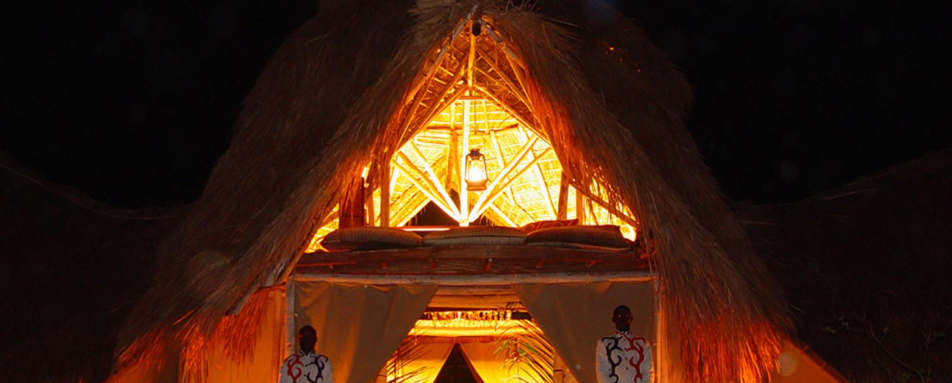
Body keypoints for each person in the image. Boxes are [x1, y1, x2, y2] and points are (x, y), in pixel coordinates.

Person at [595, 305, 652, 383]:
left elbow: (647, 371)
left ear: (631, 319)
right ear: (613, 320)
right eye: (619, 316)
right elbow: (602, 372)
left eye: (626, 316)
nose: (623, 319)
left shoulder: (642, 343)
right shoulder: (604, 343)